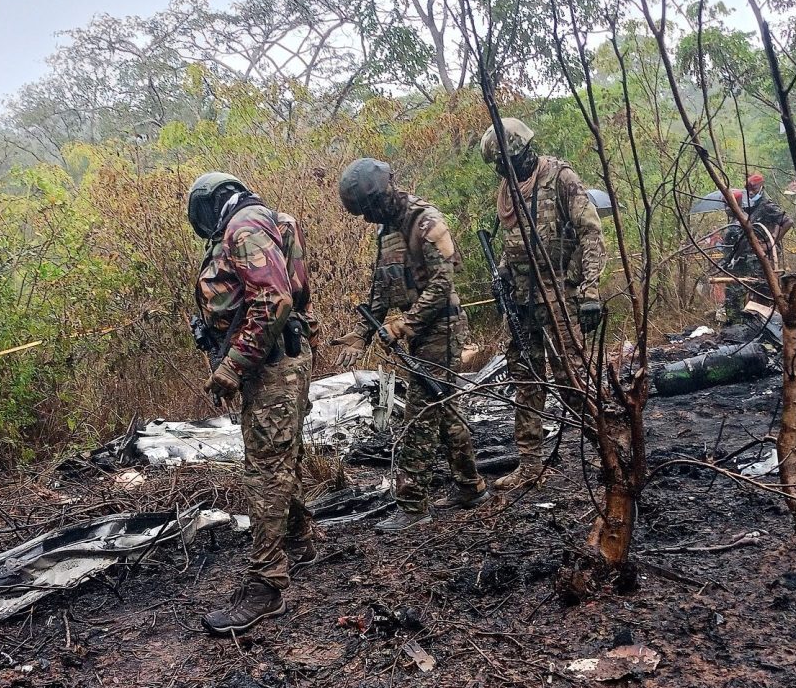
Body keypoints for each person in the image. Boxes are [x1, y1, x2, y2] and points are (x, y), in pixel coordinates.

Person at [188, 172, 318, 634]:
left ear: (211, 204)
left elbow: (273, 299)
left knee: (264, 470)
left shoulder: (243, 228)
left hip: (271, 364)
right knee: (281, 459)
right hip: (282, 359)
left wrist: (231, 366)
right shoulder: (266, 220)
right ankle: (300, 541)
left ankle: (266, 586)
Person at [331, 158, 491, 531]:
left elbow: (442, 284)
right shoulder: (387, 232)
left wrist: (405, 324)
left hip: (442, 327)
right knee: (444, 406)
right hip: (419, 331)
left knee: (419, 415)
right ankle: (470, 487)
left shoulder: (426, 221)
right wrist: (362, 331)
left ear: (385, 193)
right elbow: (379, 287)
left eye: (369, 209)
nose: (368, 217)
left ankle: (413, 505)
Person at [479, 118, 605, 491]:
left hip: (559, 297)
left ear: (522, 152)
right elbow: (512, 243)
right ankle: (531, 464)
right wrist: (501, 274)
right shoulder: (508, 191)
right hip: (522, 300)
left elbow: (590, 234)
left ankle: (606, 449)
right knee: (527, 381)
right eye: (499, 167)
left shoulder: (561, 178)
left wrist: (591, 291)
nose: (503, 170)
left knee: (572, 379)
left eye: (506, 162)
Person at [721, 173, 794, 322]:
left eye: (753, 188)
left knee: (764, 288)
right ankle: (755, 319)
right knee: (754, 287)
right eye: (747, 188)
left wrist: (771, 242)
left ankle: (767, 319)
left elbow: (787, 222)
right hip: (754, 255)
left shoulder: (767, 205)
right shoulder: (754, 206)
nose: (750, 191)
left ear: (761, 187)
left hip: (765, 255)